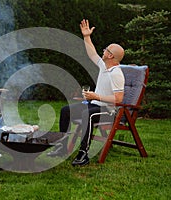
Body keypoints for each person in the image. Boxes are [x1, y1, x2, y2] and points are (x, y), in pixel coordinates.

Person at [53, 19, 125, 166]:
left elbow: (118, 99)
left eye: (106, 50)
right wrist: (86, 36)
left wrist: (96, 96)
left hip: (108, 111)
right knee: (66, 110)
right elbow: (92, 54)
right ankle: (61, 148)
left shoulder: (116, 73)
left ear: (111, 56)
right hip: (95, 104)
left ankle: (83, 154)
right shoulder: (104, 67)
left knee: (88, 114)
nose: (103, 51)